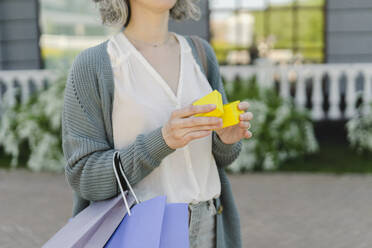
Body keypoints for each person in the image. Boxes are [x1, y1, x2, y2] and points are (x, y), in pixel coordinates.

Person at [61, 0, 253, 247]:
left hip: (210, 227)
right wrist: (162, 141)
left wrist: (226, 140)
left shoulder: (201, 53)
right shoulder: (95, 65)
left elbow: (222, 158)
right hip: (140, 229)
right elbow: (84, 175)